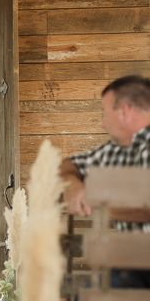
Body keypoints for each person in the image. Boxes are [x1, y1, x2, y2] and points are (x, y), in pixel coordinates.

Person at [61, 74, 150, 287]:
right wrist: (73, 184)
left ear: (125, 111)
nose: (102, 123)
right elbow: (68, 164)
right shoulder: (118, 149)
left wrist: (93, 199)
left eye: (105, 113)